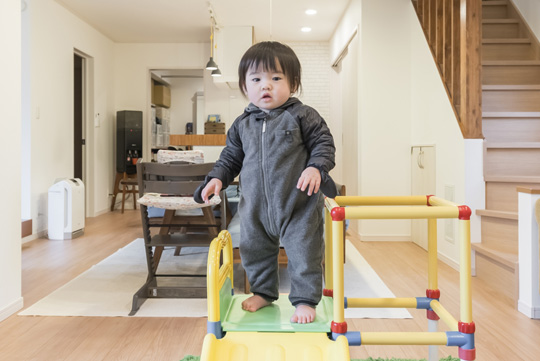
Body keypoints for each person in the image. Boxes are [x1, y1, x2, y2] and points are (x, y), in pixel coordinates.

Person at [196, 41, 336, 324]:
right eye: (256, 79)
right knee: (254, 249)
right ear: (245, 86)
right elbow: (230, 158)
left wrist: (315, 168)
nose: (266, 86)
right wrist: (216, 178)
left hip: (298, 204)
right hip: (255, 205)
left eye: (276, 78)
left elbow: (324, 143)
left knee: (304, 251)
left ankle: (305, 300)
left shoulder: (302, 116)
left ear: (293, 84)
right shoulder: (241, 125)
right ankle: (262, 292)